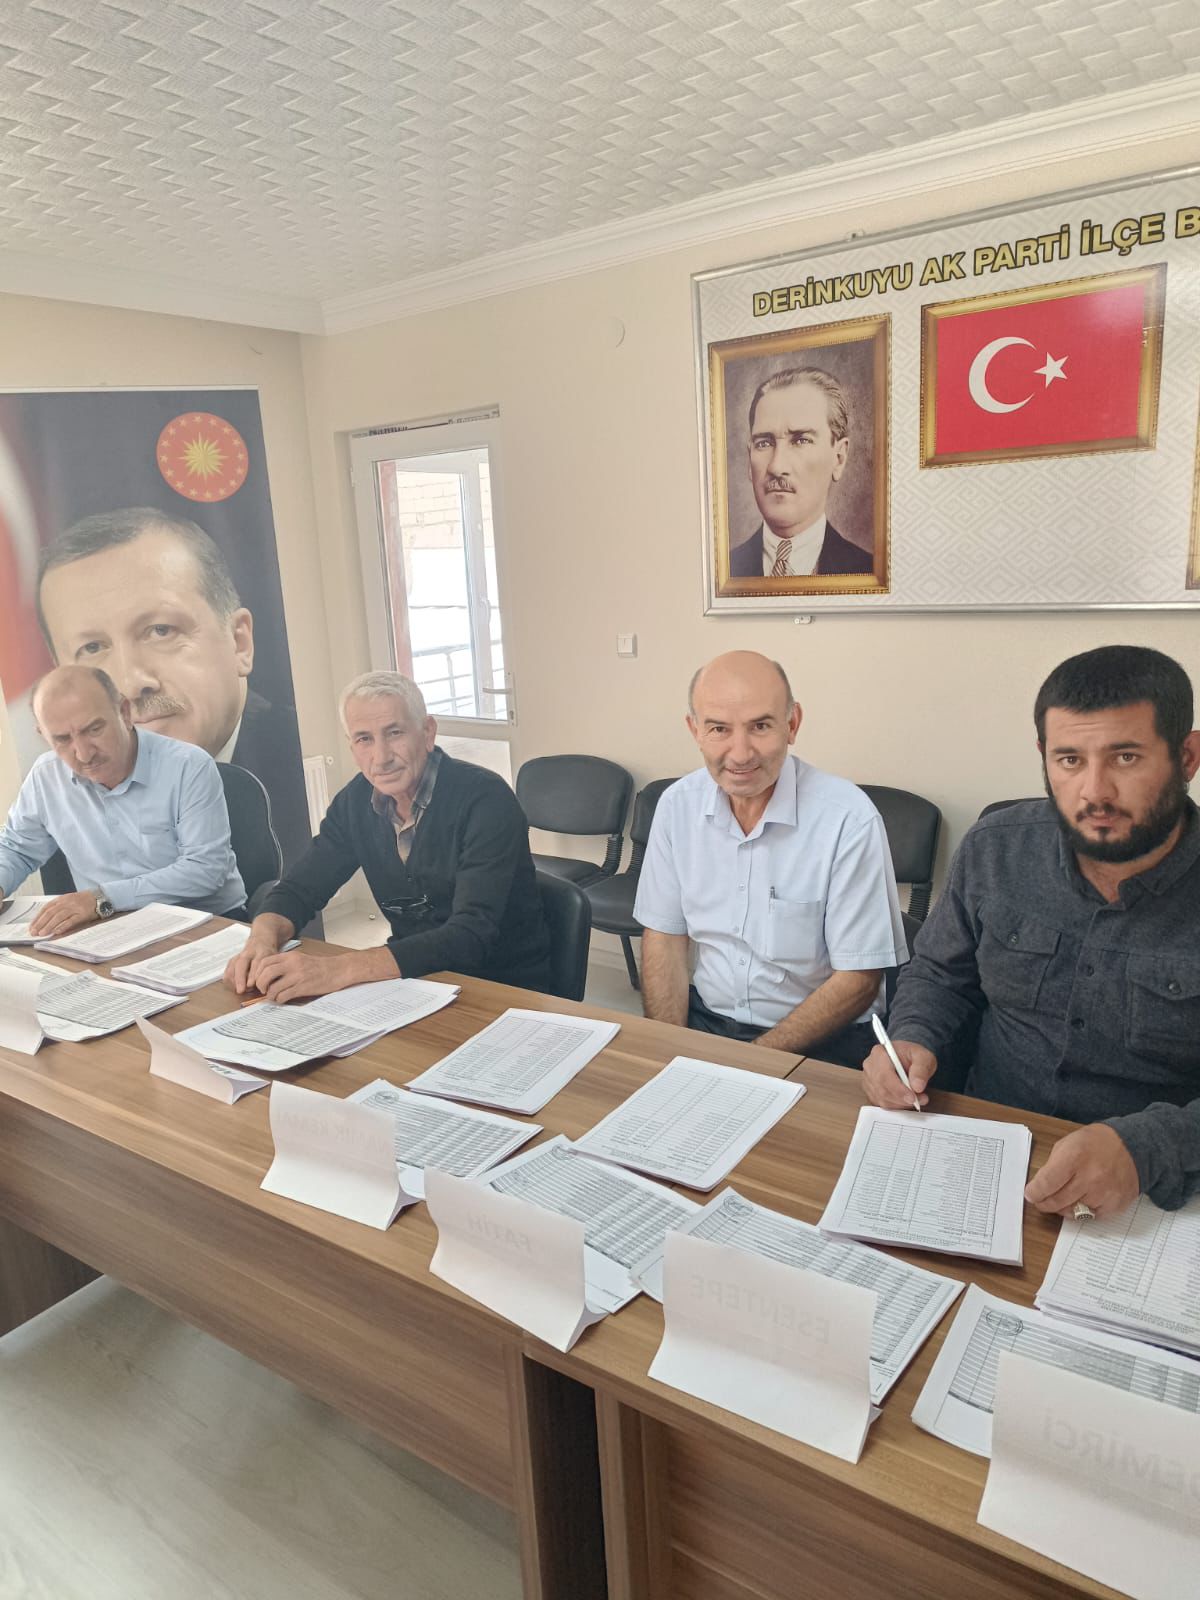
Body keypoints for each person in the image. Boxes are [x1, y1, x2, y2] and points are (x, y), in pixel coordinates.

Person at [865, 644, 1200, 1218]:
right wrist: (913, 1037)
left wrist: (1147, 1147)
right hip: (981, 1148)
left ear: (1187, 757)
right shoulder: (995, 848)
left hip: (1152, 1189)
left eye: (1125, 758)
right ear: (1044, 757)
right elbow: (941, 975)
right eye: (1070, 760)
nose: (1094, 792)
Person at [634, 651, 906, 1067]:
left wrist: (749, 1063)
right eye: (719, 729)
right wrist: (669, 1051)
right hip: (709, 1022)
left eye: (760, 726)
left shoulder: (848, 819)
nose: (740, 753)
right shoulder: (677, 806)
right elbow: (665, 939)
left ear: (792, 724)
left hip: (823, 1040)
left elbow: (858, 980)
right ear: (695, 731)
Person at [225, 670, 550, 1002]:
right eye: (364, 739)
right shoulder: (354, 802)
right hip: (416, 982)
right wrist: (261, 941)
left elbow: (470, 936)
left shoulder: (486, 800)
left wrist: (339, 969)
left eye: (394, 733)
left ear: (427, 732)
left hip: (503, 987)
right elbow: (298, 890)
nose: (381, 758)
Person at [35, 507, 310, 864]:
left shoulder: (329, 767)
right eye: (92, 648)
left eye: (160, 631)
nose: (129, 685)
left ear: (239, 642)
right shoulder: (59, 812)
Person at [0, 665, 245, 937]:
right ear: (43, 735)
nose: (83, 754)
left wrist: (102, 898)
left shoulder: (188, 766)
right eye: (62, 739)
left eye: (94, 729)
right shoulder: (46, 776)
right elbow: (16, 849)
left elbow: (205, 870)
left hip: (205, 924)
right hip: (109, 929)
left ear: (125, 713)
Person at [728, 366, 871, 579]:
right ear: (750, 459)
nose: (776, 467)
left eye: (801, 440)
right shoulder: (724, 571)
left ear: (839, 458)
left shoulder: (867, 570)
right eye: (764, 443)